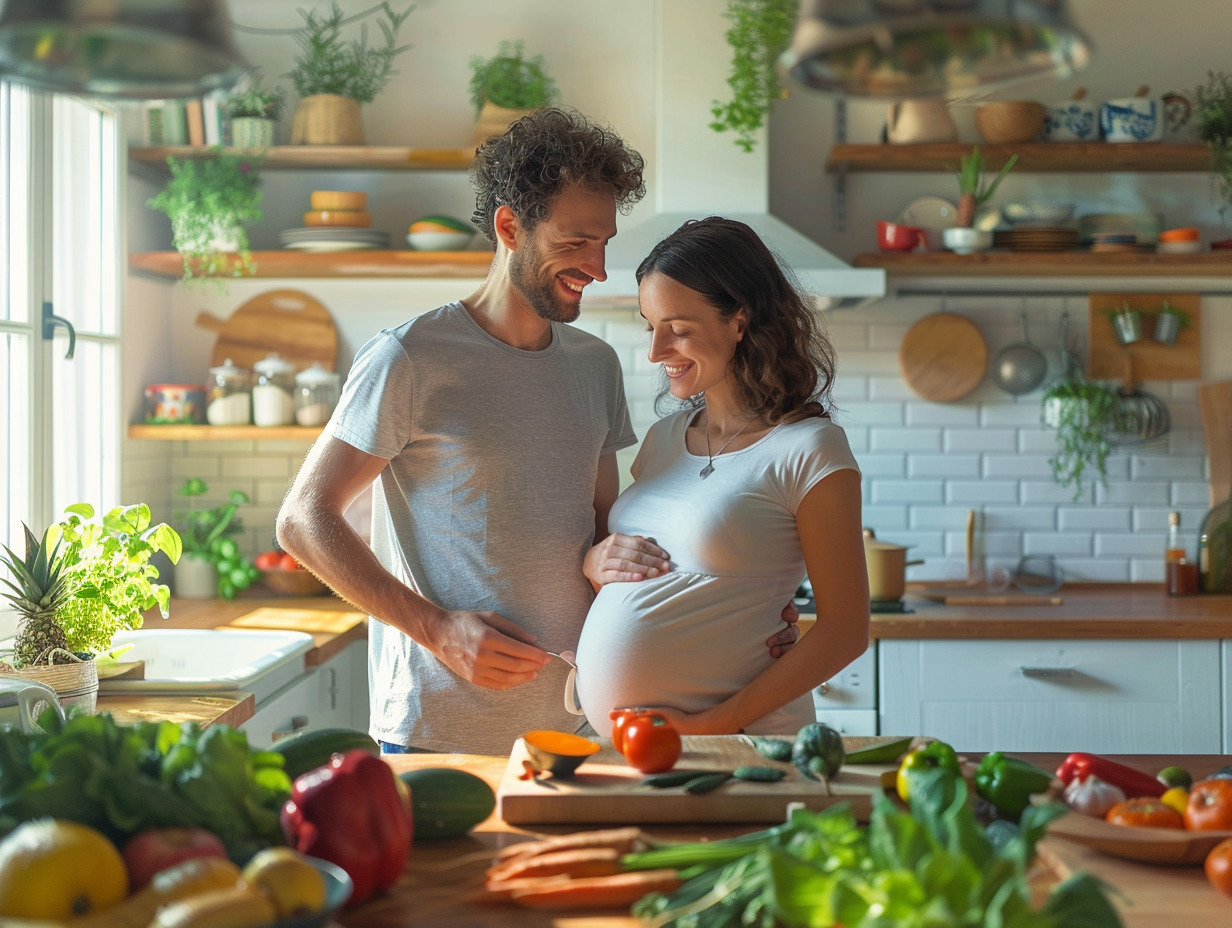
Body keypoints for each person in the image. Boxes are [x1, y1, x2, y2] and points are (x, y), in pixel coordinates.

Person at [275, 110, 797, 756]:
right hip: (440, 737)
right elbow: (302, 520)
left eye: (604, 242)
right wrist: (438, 631)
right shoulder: (409, 358)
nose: (598, 268)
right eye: (576, 242)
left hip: (581, 725)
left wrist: (742, 620)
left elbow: (612, 543)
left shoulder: (594, 366)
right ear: (508, 227)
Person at [574, 216, 871, 737]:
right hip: (638, 749)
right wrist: (596, 563)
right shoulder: (664, 440)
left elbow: (846, 631)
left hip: (738, 743)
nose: (655, 351)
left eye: (679, 330)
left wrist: (712, 723)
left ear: (740, 320)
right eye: (651, 326)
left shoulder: (809, 449)